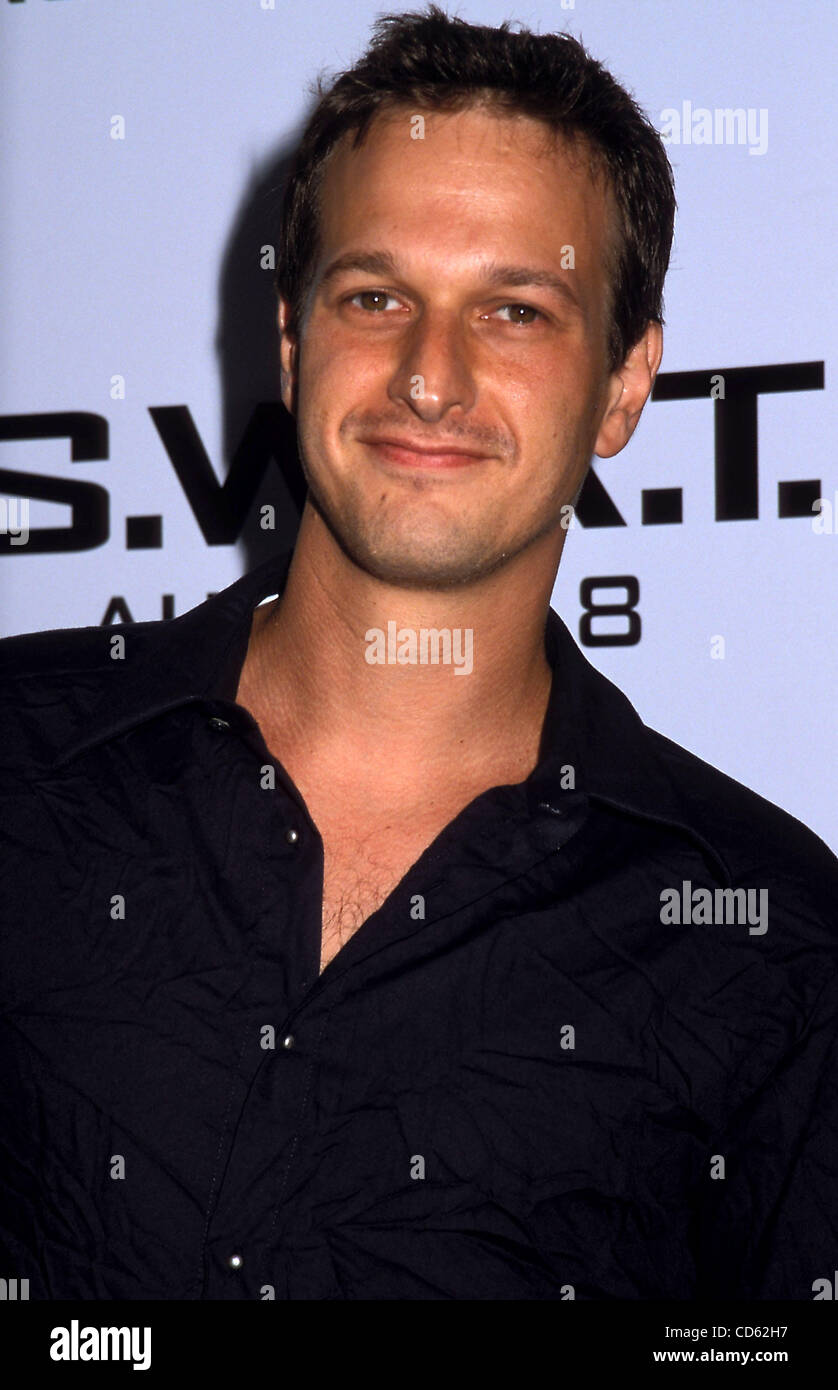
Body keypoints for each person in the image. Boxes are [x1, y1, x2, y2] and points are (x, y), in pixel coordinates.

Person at [1, 6, 836, 1302]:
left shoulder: (766, 936)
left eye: (515, 310)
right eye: (376, 297)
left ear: (625, 386)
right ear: (292, 345)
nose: (428, 377)